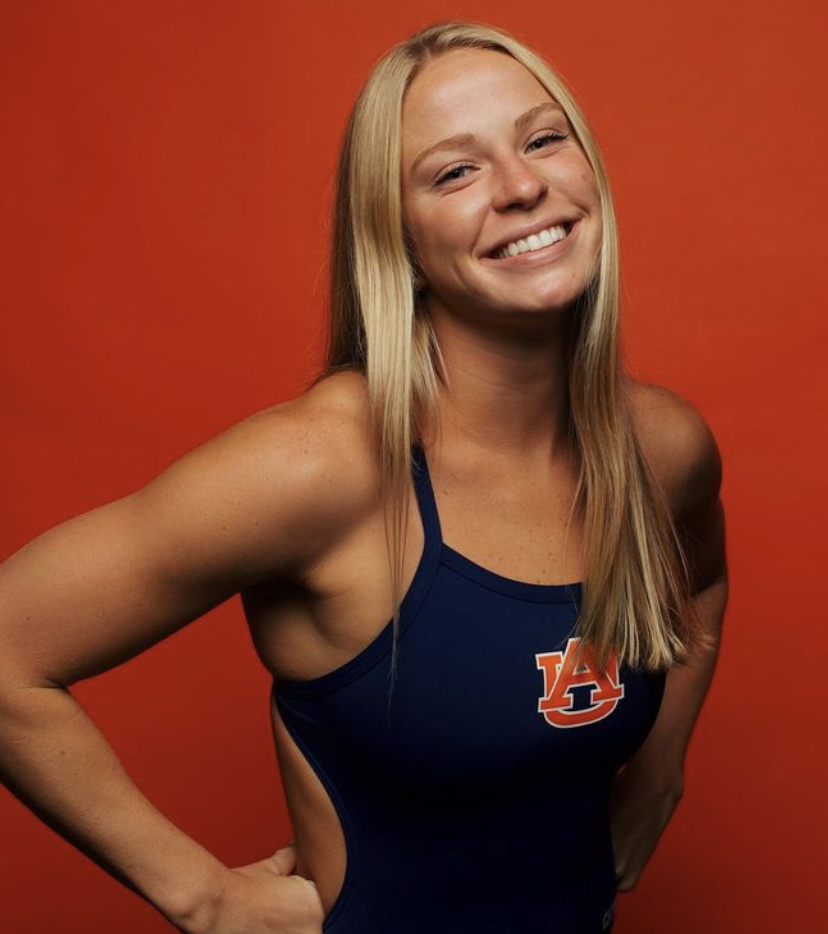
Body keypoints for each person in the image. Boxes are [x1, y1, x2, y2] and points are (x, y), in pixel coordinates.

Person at [0, 20, 726, 934]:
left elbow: (700, 583)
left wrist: (659, 769)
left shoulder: (663, 447)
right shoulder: (321, 470)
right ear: (398, 239)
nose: (521, 185)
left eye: (544, 139)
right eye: (453, 172)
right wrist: (205, 897)